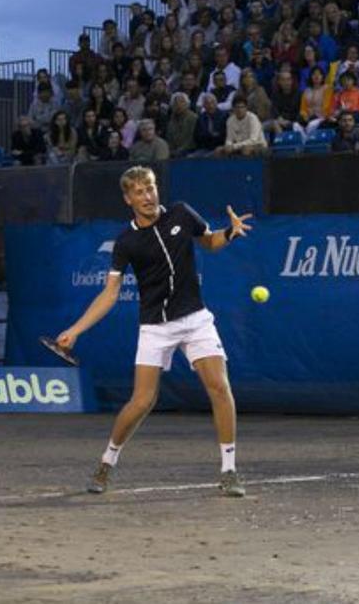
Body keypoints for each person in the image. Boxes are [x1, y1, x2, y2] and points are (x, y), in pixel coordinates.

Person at [55, 166, 253, 498]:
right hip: (155, 327)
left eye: (150, 188)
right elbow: (109, 293)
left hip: (195, 319)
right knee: (143, 401)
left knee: (219, 387)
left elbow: (209, 242)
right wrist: (75, 330)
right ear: (128, 199)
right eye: (139, 192)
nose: (147, 196)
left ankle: (230, 470)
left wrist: (229, 233)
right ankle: (106, 463)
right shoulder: (126, 241)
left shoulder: (181, 213)